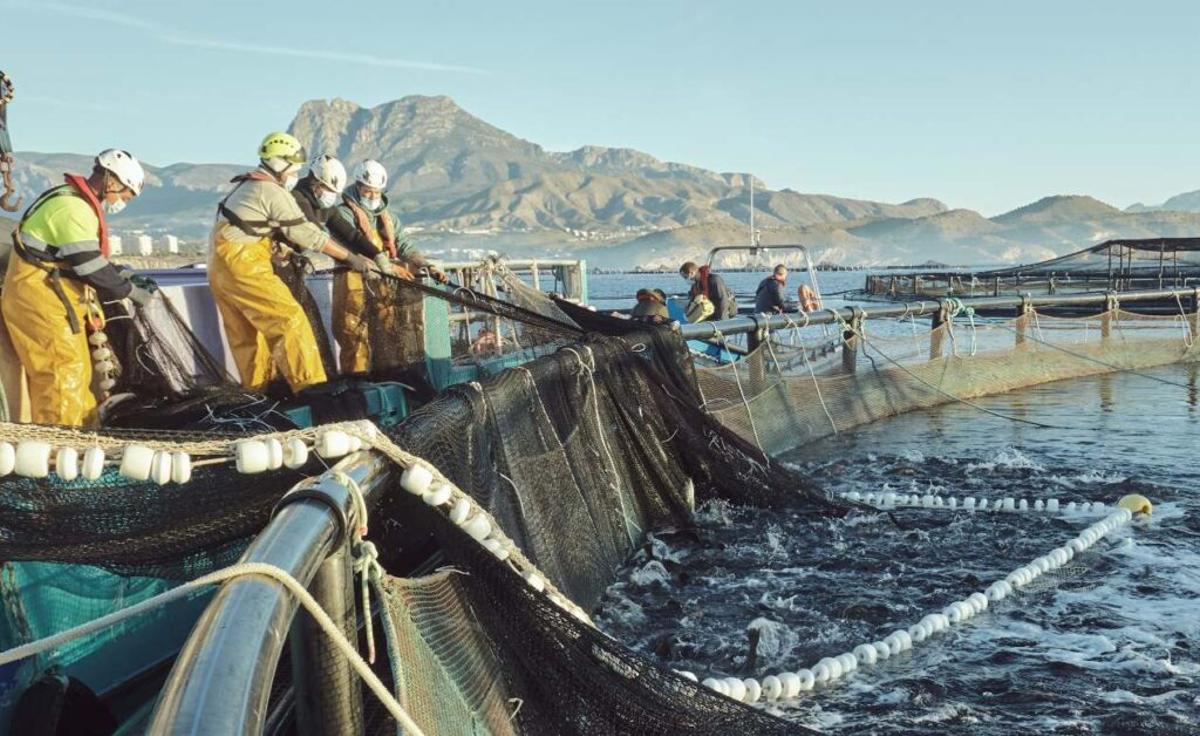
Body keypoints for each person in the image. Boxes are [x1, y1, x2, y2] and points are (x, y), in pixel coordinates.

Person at [208, 132, 377, 394]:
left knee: (247, 336)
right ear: (280, 164)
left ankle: (258, 394)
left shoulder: (246, 186)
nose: (294, 175)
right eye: (293, 169)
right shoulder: (270, 191)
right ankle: (312, 390)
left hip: (219, 267)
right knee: (290, 321)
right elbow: (308, 235)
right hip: (244, 265)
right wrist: (352, 258)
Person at [2, 149, 154, 426]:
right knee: (61, 374)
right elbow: (89, 266)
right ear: (112, 181)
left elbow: (75, 257)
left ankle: (80, 440)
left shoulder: (71, 200)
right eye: (124, 194)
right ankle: (58, 454)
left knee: (78, 372)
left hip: (51, 297)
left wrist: (122, 274)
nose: (122, 201)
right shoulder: (73, 208)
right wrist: (128, 291)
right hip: (41, 300)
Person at [331, 159, 445, 374]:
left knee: (387, 329)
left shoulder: (388, 217)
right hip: (352, 280)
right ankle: (358, 381)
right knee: (352, 331)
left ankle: (391, 374)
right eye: (368, 191)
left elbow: (404, 245)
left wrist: (426, 265)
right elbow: (353, 248)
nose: (373, 197)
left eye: (376, 192)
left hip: (383, 284)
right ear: (357, 187)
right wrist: (393, 268)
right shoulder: (343, 214)